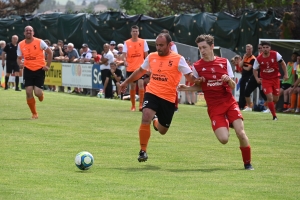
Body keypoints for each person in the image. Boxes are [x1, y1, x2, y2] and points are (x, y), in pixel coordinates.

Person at [178, 34, 254, 170]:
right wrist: (187, 88)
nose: (202, 50)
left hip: (229, 102)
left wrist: (228, 80)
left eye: (204, 47)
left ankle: (247, 163)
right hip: (214, 107)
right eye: (200, 48)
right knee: (224, 139)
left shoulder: (224, 62)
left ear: (212, 46)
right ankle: (226, 121)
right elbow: (201, 86)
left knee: (240, 133)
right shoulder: (197, 66)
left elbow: (232, 86)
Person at [120, 33, 199, 162]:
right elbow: (140, 71)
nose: (158, 48)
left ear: (169, 45)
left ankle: (156, 121)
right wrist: (125, 82)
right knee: (145, 117)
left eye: (161, 45)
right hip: (152, 92)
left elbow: (189, 76)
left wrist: (199, 81)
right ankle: (143, 151)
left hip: (168, 98)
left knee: (162, 130)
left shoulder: (178, 59)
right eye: (157, 45)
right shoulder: (151, 57)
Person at [17, 26, 53, 119]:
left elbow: (50, 53)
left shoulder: (40, 42)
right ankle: (34, 113)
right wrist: (20, 64)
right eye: (27, 31)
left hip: (39, 70)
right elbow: (18, 58)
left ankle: (40, 95)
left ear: (33, 32)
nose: (28, 32)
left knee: (37, 93)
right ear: (24, 33)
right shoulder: (20, 44)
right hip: (28, 70)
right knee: (28, 92)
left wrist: (48, 65)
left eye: (30, 30)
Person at [253, 41, 288, 120]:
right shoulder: (258, 58)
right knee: (270, 97)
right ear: (261, 48)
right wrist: (257, 78)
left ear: (270, 48)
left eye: (267, 47)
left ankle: (267, 104)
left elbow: (283, 63)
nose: (265, 49)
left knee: (276, 99)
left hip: (275, 79)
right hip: (265, 80)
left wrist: (286, 74)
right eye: (263, 47)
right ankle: (274, 116)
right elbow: (254, 69)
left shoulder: (275, 54)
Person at [123, 25, 149, 111]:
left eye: (136, 31)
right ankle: (133, 105)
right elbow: (124, 55)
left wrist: (148, 65)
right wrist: (125, 61)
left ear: (138, 32)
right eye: (133, 31)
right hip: (131, 68)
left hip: (140, 67)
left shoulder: (143, 42)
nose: (135, 33)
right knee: (132, 87)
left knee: (141, 84)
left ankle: (141, 105)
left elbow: (146, 55)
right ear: (131, 32)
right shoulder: (127, 43)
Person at [238, 44, 256, 110]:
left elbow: (248, 69)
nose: (248, 51)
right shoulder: (244, 56)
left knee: (246, 91)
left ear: (252, 50)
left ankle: (248, 105)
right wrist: (243, 59)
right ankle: (241, 105)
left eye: (250, 49)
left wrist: (242, 66)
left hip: (249, 77)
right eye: (247, 49)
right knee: (241, 91)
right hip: (243, 76)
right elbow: (240, 65)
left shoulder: (253, 58)